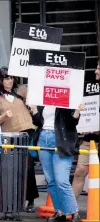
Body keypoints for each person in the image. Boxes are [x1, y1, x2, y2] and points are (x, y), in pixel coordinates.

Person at [30, 102, 84, 222]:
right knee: (51, 180)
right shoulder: (43, 100)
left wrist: (77, 111)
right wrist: (34, 109)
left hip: (61, 141)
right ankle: (60, 212)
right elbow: (38, 122)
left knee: (62, 180)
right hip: (43, 139)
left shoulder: (67, 101)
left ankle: (74, 212)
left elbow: (71, 123)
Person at [0, 67, 39, 212]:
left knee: (29, 166)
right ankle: (13, 199)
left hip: (28, 132)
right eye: (6, 77)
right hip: (9, 135)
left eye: (11, 77)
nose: (9, 80)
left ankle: (30, 200)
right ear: (1, 79)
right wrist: (3, 117)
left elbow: (36, 90)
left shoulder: (21, 91)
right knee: (11, 169)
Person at [72, 60, 100, 199]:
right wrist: (83, 126)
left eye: (99, 69)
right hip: (90, 139)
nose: (96, 71)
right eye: (96, 68)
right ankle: (69, 211)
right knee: (79, 171)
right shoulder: (89, 89)